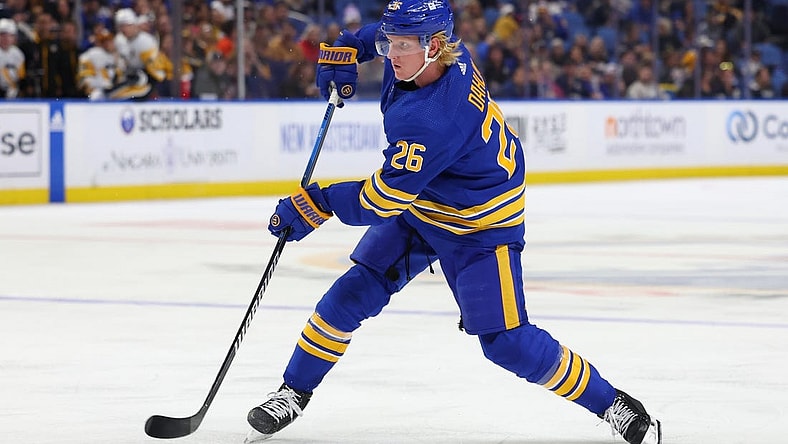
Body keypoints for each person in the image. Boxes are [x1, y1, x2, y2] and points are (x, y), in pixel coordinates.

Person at [245, 2, 662, 444]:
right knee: (351, 294)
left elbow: (381, 199)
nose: (391, 55)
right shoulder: (435, 56)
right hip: (427, 200)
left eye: (402, 46)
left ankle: (611, 402)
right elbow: (376, 37)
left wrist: (317, 203)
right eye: (390, 44)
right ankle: (293, 391)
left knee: (507, 342)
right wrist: (349, 47)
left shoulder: (433, 117)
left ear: (434, 46)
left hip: (481, 224)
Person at [0, 18, 25, 98]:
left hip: (15, 92)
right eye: (2, 35)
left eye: (10, 35)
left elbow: (21, 76)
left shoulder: (18, 54)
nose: (6, 38)